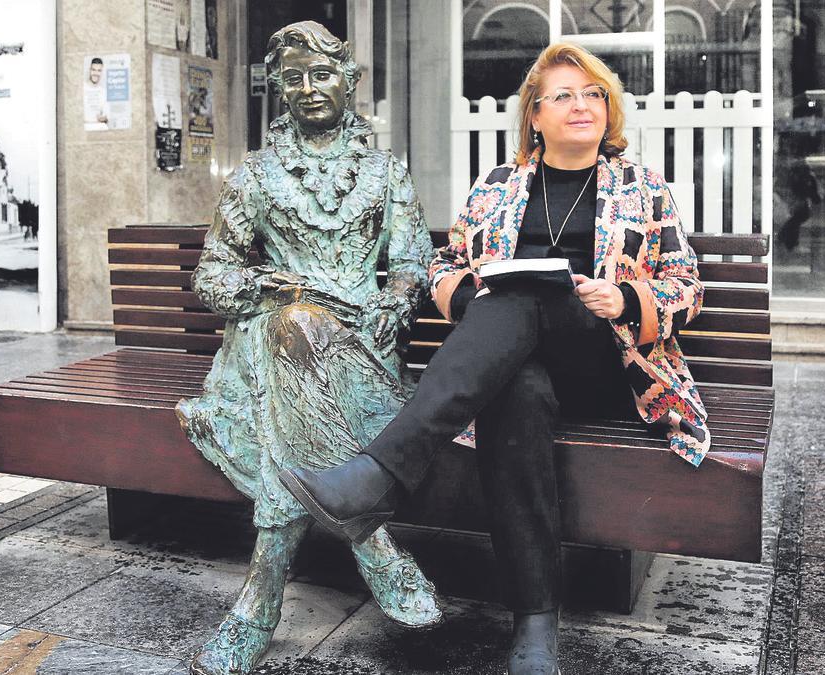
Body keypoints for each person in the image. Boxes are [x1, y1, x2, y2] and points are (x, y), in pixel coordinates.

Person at [280, 43, 709, 675]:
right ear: (535, 115)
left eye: (593, 94)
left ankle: (379, 474)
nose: (581, 105)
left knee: (525, 300)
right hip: (512, 365)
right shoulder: (498, 186)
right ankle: (534, 628)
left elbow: (686, 285)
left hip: (603, 362)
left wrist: (622, 297)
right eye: (563, 95)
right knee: (518, 388)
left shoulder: (643, 188)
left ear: (608, 109)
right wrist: (470, 293)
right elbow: (445, 264)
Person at [174, 21, 439, 675]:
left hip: (358, 357)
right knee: (290, 324)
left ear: (349, 83)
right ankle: (373, 546)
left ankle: (260, 602)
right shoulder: (258, 176)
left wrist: (394, 299)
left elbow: (414, 264)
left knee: (300, 338)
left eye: (322, 74)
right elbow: (213, 275)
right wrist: (264, 281)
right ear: (279, 90)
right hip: (264, 354)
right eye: (293, 78)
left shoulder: (385, 174)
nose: (308, 87)